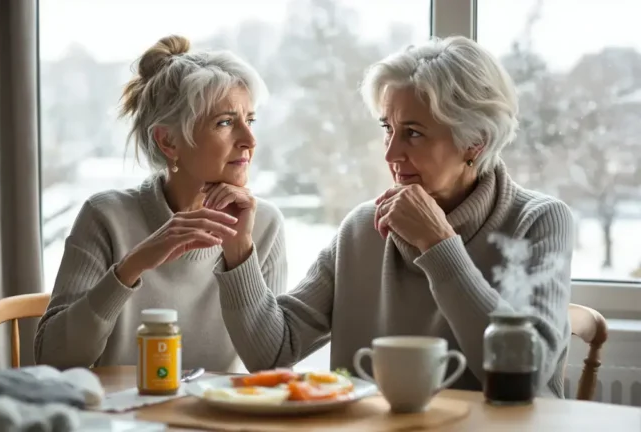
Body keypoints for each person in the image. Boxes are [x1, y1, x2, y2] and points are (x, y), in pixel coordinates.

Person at [214, 36, 574, 397]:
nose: (390, 153)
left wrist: (439, 245)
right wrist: (238, 248)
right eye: (388, 128)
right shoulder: (363, 227)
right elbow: (271, 353)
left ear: (475, 141)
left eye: (413, 133)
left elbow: (525, 376)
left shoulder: (538, 222)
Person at [35, 35, 287, 373]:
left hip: (220, 421)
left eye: (250, 120)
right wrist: (132, 266)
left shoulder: (263, 224)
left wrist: (240, 252)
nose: (250, 139)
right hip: (121, 422)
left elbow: (272, 367)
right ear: (168, 141)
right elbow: (54, 358)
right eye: (225, 122)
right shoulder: (105, 216)